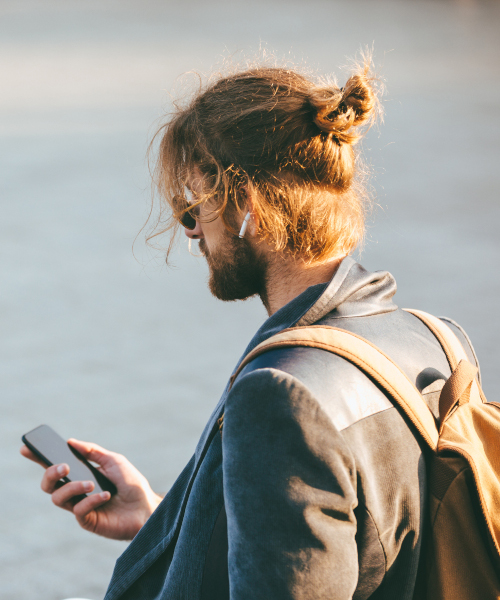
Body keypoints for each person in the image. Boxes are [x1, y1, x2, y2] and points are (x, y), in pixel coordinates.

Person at [21, 58, 480, 599]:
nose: (191, 232)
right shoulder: (434, 340)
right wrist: (162, 522)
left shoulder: (282, 395)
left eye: (192, 207)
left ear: (249, 207)